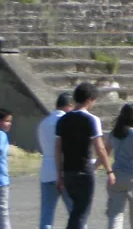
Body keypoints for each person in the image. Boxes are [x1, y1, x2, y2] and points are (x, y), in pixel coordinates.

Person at [58, 82, 113, 229]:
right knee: (81, 212)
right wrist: (109, 170)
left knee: (76, 211)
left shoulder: (63, 119)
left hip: (68, 170)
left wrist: (59, 174)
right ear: (89, 99)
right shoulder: (91, 119)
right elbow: (100, 147)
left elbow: (57, 149)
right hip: (84, 170)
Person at [105, 104, 133, 229]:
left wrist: (96, 167)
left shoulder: (114, 134)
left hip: (116, 175)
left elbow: (105, 153)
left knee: (115, 214)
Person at [38, 92, 73, 229]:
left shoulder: (44, 122)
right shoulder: (67, 121)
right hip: (64, 168)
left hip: (46, 168)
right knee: (75, 212)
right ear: (69, 105)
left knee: (46, 215)